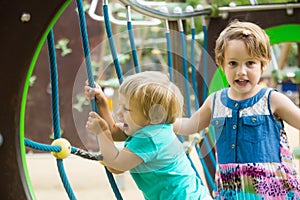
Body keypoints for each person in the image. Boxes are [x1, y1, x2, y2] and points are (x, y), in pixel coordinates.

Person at [173, 20, 300, 199]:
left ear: (263, 65)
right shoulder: (215, 101)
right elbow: (190, 125)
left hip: (270, 190)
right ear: (222, 64)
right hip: (231, 189)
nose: (241, 71)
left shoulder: (271, 100)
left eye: (250, 63)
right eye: (233, 63)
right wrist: (164, 122)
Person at [85, 71, 212, 200]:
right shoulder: (154, 127)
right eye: (120, 106)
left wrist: (101, 132)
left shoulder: (149, 138)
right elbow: (114, 132)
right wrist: (101, 102)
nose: (118, 113)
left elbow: (116, 165)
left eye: (126, 109)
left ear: (153, 116)